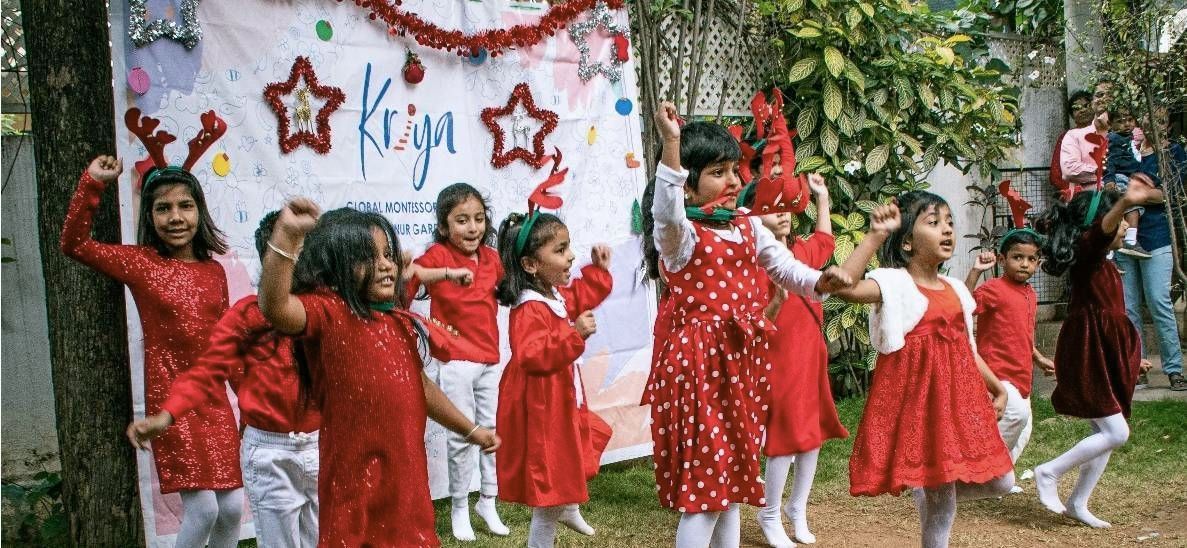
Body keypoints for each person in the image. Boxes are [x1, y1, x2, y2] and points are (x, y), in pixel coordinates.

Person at [641, 101, 865, 548]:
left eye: (733, 171)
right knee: (706, 492)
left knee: (731, 486)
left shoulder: (746, 225)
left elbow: (790, 271)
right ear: (688, 184)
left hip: (742, 365)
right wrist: (671, 144)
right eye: (718, 173)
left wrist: (824, 280)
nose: (733, 182)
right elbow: (665, 211)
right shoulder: (680, 235)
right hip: (700, 369)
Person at [257, 200, 499, 546]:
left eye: (388, 255)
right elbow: (276, 308)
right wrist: (286, 236)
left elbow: (419, 386)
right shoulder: (328, 312)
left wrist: (471, 429)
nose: (386, 266)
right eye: (369, 257)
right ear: (335, 265)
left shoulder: (395, 318)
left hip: (405, 481)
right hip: (356, 485)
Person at [62, 155, 244, 548]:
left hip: (215, 404)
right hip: (171, 405)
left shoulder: (214, 271)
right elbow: (74, 244)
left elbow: (226, 346)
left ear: (200, 211)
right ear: (150, 216)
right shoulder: (142, 264)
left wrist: (251, 398)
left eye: (185, 206)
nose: (175, 217)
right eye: (163, 208)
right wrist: (92, 185)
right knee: (204, 510)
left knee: (231, 509)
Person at [835, 191, 1015, 548]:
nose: (946, 230)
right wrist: (875, 235)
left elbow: (965, 347)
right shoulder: (894, 283)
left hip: (957, 402)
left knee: (1002, 482)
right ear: (906, 243)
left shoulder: (957, 290)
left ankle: (932, 493)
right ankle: (934, 498)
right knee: (941, 492)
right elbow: (846, 287)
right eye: (933, 223)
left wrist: (997, 386)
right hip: (918, 403)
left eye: (949, 222)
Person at [128, 211, 320, 547]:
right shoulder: (246, 316)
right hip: (269, 452)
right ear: (268, 262)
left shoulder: (323, 313)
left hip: (321, 444)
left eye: (303, 256)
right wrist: (167, 415)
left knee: (325, 538)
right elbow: (206, 371)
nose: (296, 267)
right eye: (285, 257)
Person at [1033, 184, 1154, 528]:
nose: (1127, 226)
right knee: (1116, 432)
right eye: (1122, 219)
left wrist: (1131, 360)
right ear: (1101, 223)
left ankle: (1078, 502)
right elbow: (1100, 232)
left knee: (1102, 432)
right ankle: (1048, 472)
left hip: (1106, 352)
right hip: (1090, 350)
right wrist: (1127, 200)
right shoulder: (1089, 251)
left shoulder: (1103, 263)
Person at [494, 208, 613, 548]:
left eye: (568, 246)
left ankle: (568, 503)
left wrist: (599, 272)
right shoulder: (529, 307)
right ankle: (555, 513)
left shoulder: (553, 295)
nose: (571, 255)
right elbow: (530, 354)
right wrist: (573, 335)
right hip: (542, 404)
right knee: (551, 478)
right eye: (560, 250)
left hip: (559, 397)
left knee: (573, 452)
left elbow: (581, 296)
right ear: (531, 265)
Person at [405, 183, 510, 541]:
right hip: (455, 360)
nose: (472, 228)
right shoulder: (437, 256)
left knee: (492, 429)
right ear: (444, 226)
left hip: (490, 358)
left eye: (479, 219)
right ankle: (459, 506)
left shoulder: (493, 259)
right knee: (462, 435)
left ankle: (489, 499)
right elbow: (411, 275)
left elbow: (510, 288)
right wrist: (448, 274)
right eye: (462, 220)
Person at [753, 173, 849, 547]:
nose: (783, 215)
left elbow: (825, 240)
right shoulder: (756, 263)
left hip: (810, 357)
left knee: (812, 437)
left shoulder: (803, 252)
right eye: (772, 208)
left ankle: (797, 509)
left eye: (787, 209)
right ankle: (769, 513)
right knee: (786, 437)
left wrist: (822, 196)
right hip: (779, 360)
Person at [964, 233, 1055, 479]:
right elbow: (962, 304)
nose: (1025, 264)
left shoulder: (1030, 295)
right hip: (997, 376)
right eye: (1017, 257)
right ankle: (975, 468)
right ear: (1003, 260)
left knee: (1023, 430)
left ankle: (997, 479)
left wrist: (1037, 357)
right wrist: (975, 272)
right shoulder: (993, 289)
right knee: (1016, 415)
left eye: (1031, 259)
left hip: (1022, 377)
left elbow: (1022, 332)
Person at [1116, 108, 1185, 391]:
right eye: (1146, 117)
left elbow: (1176, 194)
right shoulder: (1124, 148)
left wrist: (1136, 196)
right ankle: (1137, 368)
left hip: (1156, 237)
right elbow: (1111, 184)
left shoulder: (1174, 153)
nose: (1150, 123)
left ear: (1166, 124)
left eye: (1158, 119)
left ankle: (1174, 370)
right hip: (1121, 238)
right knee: (1128, 307)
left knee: (1159, 303)